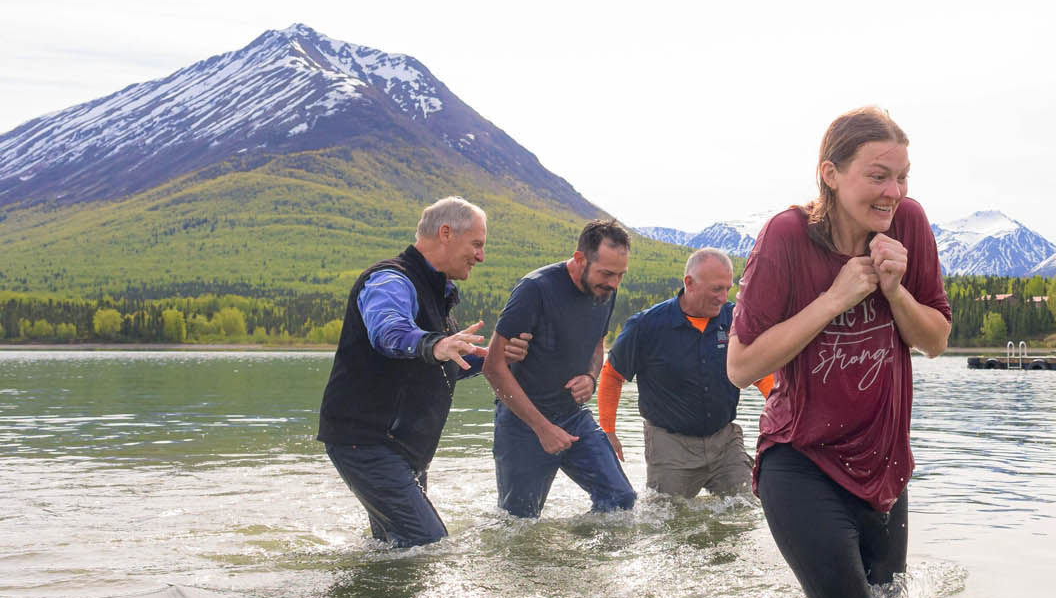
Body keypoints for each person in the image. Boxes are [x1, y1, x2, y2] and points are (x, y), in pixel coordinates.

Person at [727, 107, 951, 598]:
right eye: (878, 175)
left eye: (901, 177)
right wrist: (834, 299)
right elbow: (741, 366)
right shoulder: (786, 236)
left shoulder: (910, 225)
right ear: (830, 174)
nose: (892, 191)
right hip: (801, 464)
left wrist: (896, 291)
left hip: (885, 467)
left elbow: (936, 340)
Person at [318, 196, 527, 547]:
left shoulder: (436, 291)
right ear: (446, 233)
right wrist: (435, 344)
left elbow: (435, 365)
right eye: (476, 244)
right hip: (368, 442)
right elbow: (390, 331)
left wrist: (495, 356)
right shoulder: (391, 280)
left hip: (400, 446)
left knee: (394, 547)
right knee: (429, 544)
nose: (480, 256)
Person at [483, 219, 638, 518]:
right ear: (580, 259)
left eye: (620, 275)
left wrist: (591, 378)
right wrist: (543, 428)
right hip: (524, 423)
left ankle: (580, 561)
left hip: (573, 417)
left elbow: (597, 345)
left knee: (620, 500)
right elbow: (493, 366)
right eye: (606, 273)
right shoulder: (535, 289)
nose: (614, 283)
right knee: (519, 523)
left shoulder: (605, 290)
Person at [597, 247, 774, 497]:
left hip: (725, 440)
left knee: (746, 509)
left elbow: (757, 371)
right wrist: (608, 430)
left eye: (727, 288)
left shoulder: (734, 318)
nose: (724, 297)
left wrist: (780, 408)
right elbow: (612, 375)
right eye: (716, 289)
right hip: (670, 445)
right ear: (689, 283)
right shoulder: (646, 325)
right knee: (667, 524)